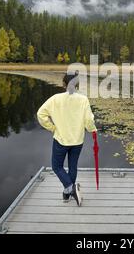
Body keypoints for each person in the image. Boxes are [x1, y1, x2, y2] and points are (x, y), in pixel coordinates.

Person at [37, 72, 97, 206]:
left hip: (61, 140)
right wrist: (92, 129)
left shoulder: (55, 99)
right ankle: (68, 192)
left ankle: (69, 188)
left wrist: (52, 127)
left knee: (57, 166)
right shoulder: (83, 99)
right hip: (77, 141)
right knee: (72, 166)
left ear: (64, 84)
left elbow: (41, 114)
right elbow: (88, 120)